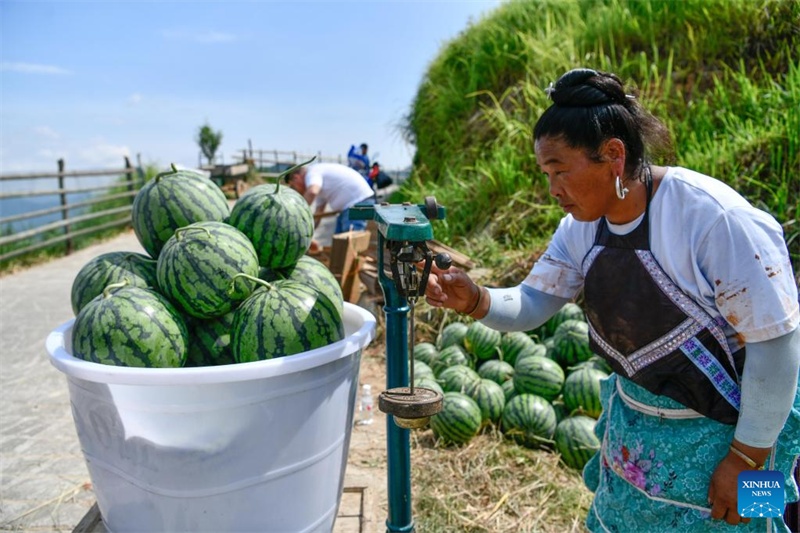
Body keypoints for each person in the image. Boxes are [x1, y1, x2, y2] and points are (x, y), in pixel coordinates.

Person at [423, 68, 800, 531]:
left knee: (754, 525)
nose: (552, 190)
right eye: (545, 174)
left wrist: (747, 457)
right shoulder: (581, 228)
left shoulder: (713, 219)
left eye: (560, 171)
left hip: (748, 434)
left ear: (613, 155)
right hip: (638, 435)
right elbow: (534, 302)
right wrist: (475, 300)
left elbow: (777, 345)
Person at [284, 161, 374, 239]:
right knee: (339, 243)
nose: (295, 190)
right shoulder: (318, 182)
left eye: (293, 186)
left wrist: (297, 212)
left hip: (356, 203)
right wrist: (307, 234)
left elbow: (312, 192)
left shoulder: (312, 173)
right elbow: (318, 213)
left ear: (296, 178)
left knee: (349, 243)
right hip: (348, 207)